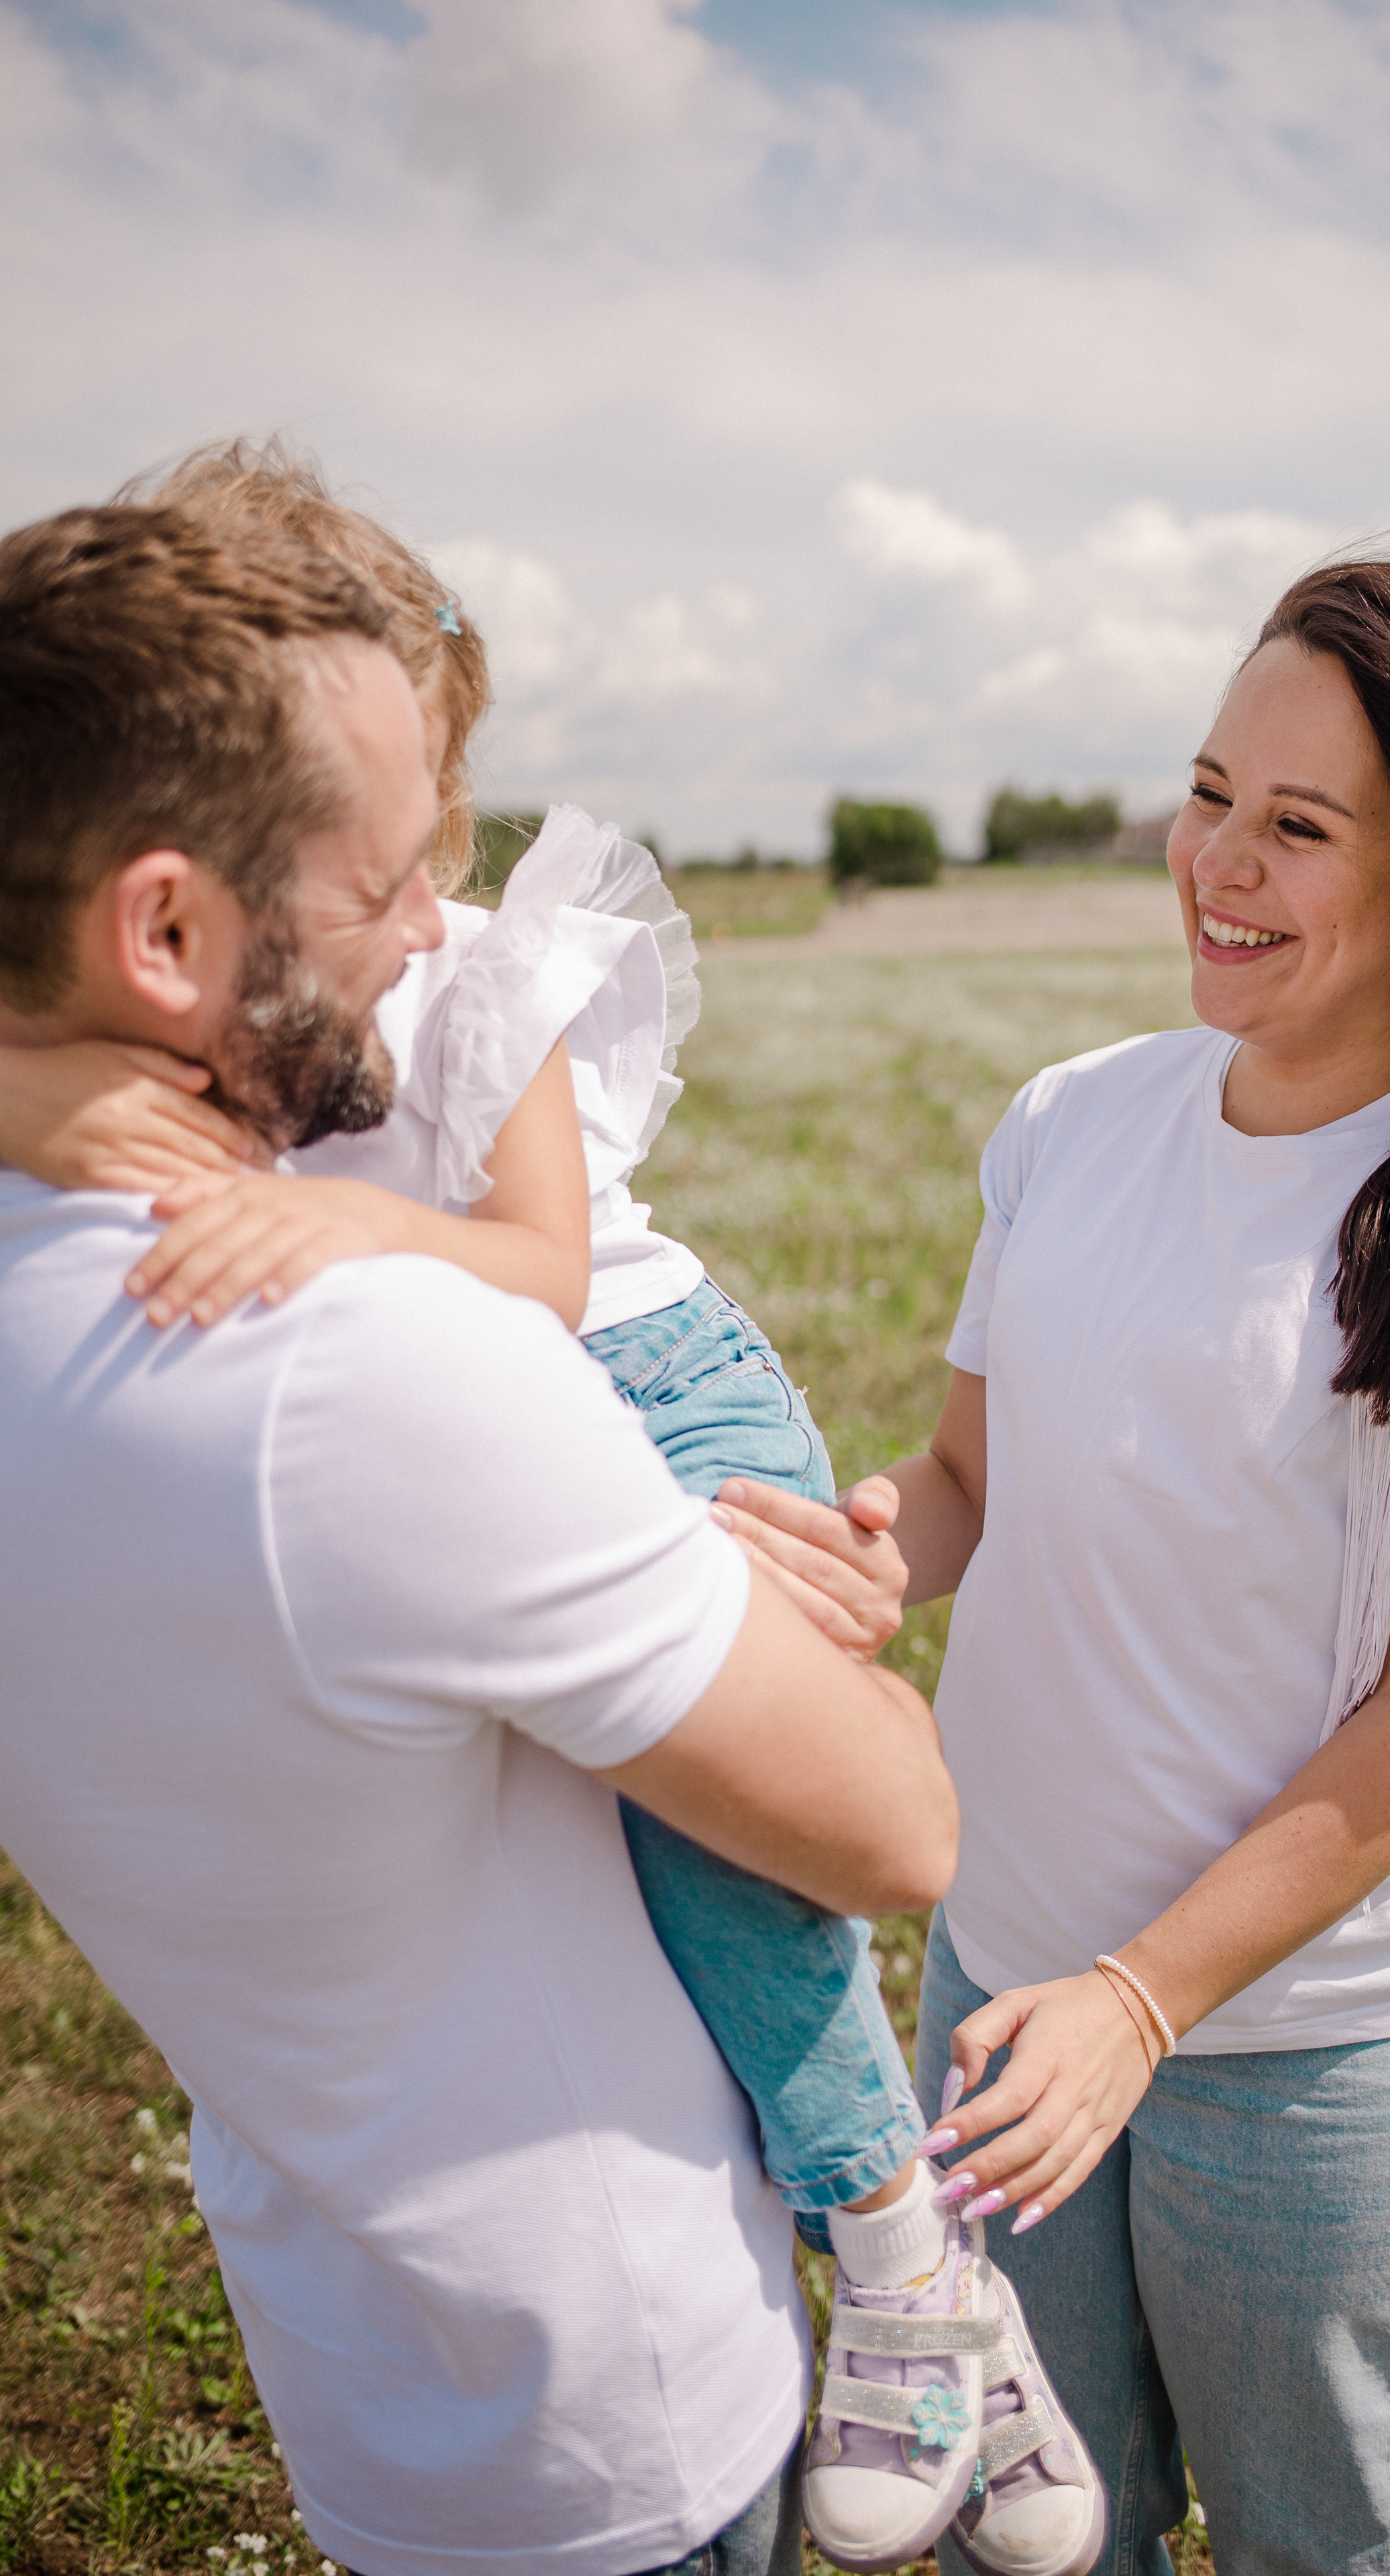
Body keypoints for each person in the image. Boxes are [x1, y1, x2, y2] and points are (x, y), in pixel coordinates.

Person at [0, 449, 1103, 2576]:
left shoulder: (123, 1267)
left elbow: (548, 1260)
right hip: (618, 2411)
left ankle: (915, 2266)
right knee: (740, 1844)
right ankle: (910, 2259)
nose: (435, 918)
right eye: (383, 873)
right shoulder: (359, 1383)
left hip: (364, 2370)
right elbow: (897, 1827)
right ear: (166, 926)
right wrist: (729, 1608)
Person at [733, 559, 1390, 2574]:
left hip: (1318, 2052)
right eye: (1207, 793)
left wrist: (1141, 2004)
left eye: (1301, 825)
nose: (1221, 863)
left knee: (1316, 2540)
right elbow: (969, 1479)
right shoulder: (1071, 1120)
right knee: (1035, 2531)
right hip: (1007, 1986)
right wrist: (848, 1556)